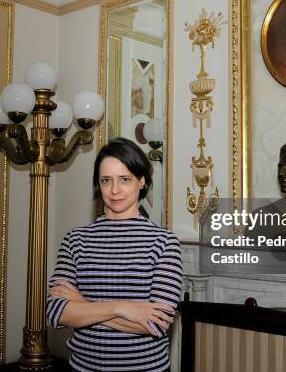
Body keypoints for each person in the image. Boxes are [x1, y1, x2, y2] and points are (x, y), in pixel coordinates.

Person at [46, 137, 183, 372]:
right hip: (83, 368)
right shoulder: (76, 239)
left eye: (125, 179)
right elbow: (57, 312)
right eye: (106, 180)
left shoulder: (164, 242)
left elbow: (156, 325)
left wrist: (83, 303)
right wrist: (123, 307)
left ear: (141, 181)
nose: (114, 190)